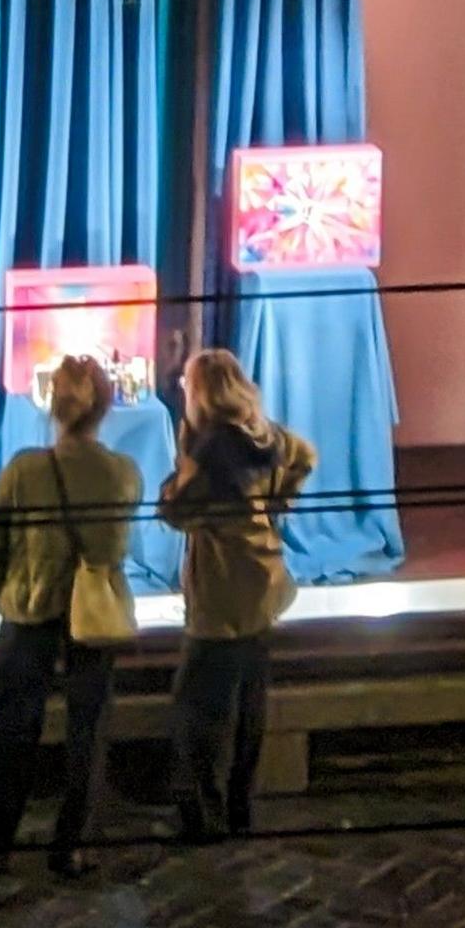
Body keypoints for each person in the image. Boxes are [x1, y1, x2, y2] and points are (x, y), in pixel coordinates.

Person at [0, 353, 142, 880]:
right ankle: (72, 846)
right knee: (88, 731)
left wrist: (1, 585)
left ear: (52, 407)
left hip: (29, 612)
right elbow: (114, 546)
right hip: (92, 617)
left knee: (8, 729)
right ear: (105, 408)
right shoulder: (122, 473)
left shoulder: (22, 470)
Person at [157, 348, 314, 843]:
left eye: (187, 383)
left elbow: (176, 511)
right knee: (249, 701)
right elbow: (304, 455)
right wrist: (275, 503)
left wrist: (182, 460)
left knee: (198, 706)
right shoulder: (263, 435)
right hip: (263, 581)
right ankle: (242, 808)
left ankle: (201, 816)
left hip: (221, 589)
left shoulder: (209, 453)